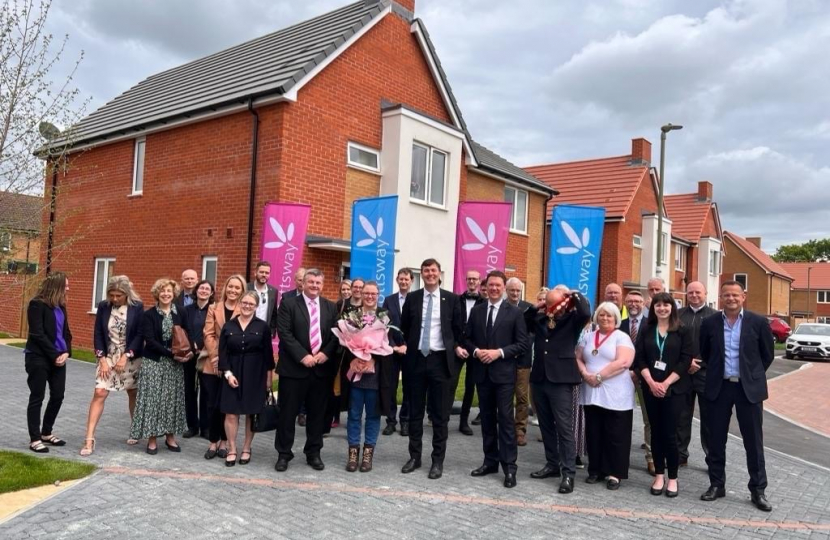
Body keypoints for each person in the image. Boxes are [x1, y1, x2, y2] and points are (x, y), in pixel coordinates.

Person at [699, 281, 774, 512]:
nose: (730, 298)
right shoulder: (710, 323)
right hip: (719, 388)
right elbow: (706, 352)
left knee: (753, 442)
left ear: (744, 296)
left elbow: (767, 355)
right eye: (726, 295)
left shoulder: (758, 322)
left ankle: (758, 490)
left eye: (735, 295)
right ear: (720, 298)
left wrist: (750, 375)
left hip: (747, 390)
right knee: (715, 440)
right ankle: (716, 484)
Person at [399, 258, 465, 480]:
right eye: (426, 270)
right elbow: (405, 326)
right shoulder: (413, 298)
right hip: (416, 360)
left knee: (439, 415)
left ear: (439, 273)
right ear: (422, 274)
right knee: (415, 412)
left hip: (440, 362)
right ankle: (414, 457)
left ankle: (437, 461)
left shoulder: (452, 299)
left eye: (433, 270)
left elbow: (458, 329)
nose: (429, 274)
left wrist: (455, 348)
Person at [463, 271, 528, 488]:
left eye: (498, 286)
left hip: (503, 375)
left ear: (504, 288)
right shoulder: (478, 310)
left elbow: (522, 344)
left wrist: (498, 352)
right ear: (485, 287)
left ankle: (509, 467)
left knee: (506, 421)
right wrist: (476, 351)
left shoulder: (515, 313)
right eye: (490, 285)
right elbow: (467, 338)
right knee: (487, 421)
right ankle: (489, 461)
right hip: (482, 374)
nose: (494, 289)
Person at [526, 285, 590, 494]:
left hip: (561, 380)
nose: (553, 307)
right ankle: (552, 464)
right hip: (540, 378)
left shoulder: (572, 321)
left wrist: (573, 295)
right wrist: (541, 305)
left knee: (564, 427)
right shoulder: (542, 320)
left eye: (555, 303)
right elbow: (525, 319)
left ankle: (568, 473)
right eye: (550, 303)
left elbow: (585, 312)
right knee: (545, 426)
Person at [274, 269, 339, 472]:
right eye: (310, 282)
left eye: (318, 283)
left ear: (322, 284)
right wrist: (303, 356)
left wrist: (325, 354)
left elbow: (336, 335)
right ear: (303, 283)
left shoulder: (330, 306)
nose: (314, 286)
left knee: (317, 415)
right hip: (294, 369)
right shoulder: (288, 303)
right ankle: (284, 454)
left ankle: (313, 452)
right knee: (287, 414)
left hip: (321, 370)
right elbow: (284, 332)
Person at [634, 292, 692, 498]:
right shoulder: (647, 329)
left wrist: (666, 383)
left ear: (672, 307)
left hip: (674, 390)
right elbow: (639, 358)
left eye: (666, 305)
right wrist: (651, 382)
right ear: (653, 309)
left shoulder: (682, 330)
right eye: (658, 305)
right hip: (651, 389)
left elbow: (685, 361)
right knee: (656, 434)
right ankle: (659, 475)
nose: (662, 308)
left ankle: (673, 478)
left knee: (670, 434)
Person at [80, 276, 145, 456]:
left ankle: (135, 429)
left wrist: (126, 355)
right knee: (100, 392)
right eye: (112, 295)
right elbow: (98, 333)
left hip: (130, 357)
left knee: (132, 391)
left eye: (119, 295)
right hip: (108, 355)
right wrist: (101, 358)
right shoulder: (103, 306)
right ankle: (89, 438)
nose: (115, 299)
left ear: (126, 294)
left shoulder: (137, 307)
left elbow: (140, 334)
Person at [577, 302, 636, 490]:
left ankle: (615, 473)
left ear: (616, 318)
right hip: (592, 391)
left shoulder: (622, 337)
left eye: (609, 315)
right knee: (594, 432)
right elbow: (577, 357)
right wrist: (586, 374)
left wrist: (600, 376)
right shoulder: (588, 336)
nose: (605, 318)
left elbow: (624, 362)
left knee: (616, 434)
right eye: (601, 315)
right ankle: (595, 470)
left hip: (616, 393)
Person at [130, 278, 191, 454]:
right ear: (157, 293)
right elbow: (149, 341)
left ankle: (170, 437)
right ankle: (152, 439)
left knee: (172, 400)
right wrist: (172, 354)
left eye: (169, 291)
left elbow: (187, 333)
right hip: (154, 362)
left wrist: (188, 352)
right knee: (154, 401)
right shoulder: (148, 315)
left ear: (174, 294)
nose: (165, 294)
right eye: (162, 291)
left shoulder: (181, 311)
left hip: (175, 365)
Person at [340, 281, 394, 472]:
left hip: (375, 376)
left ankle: (368, 455)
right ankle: (353, 453)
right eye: (367, 293)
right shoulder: (352, 315)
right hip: (356, 373)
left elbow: (388, 344)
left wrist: (373, 360)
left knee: (372, 415)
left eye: (374, 293)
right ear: (361, 294)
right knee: (354, 415)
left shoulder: (384, 316)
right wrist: (352, 360)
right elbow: (345, 342)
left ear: (378, 295)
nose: (370, 296)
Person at [219, 291, 275, 466]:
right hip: (232, 373)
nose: (247, 306)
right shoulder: (228, 326)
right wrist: (228, 374)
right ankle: (232, 448)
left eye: (251, 304)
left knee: (251, 413)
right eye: (244, 303)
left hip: (255, 373)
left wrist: (268, 381)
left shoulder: (263, 327)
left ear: (256, 306)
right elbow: (222, 353)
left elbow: (268, 356)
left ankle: (246, 447)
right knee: (231, 412)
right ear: (240, 303)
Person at [24, 272, 72, 453]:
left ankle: (46, 433)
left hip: (59, 357)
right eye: (65, 285)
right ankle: (35, 438)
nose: (68, 288)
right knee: (37, 397)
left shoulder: (61, 306)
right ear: (56, 286)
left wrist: (66, 352)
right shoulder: (36, 305)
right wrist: (54, 355)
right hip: (38, 357)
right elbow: (37, 334)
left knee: (58, 395)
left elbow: (66, 333)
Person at [202, 275, 245, 459]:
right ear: (225, 288)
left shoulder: (244, 309)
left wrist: (224, 358)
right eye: (231, 286)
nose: (233, 290)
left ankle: (225, 442)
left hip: (233, 363)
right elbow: (208, 333)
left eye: (237, 288)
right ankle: (213, 441)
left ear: (242, 291)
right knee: (212, 404)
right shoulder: (213, 308)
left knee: (227, 405)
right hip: (212, 363)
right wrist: (215, 356)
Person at [677, 281, 717, 466]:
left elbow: (717, 345)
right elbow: (674, 341)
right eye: (690, 292)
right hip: (683, 373)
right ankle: (680, 454)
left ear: (705, 293)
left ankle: (711, 458)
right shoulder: (678, 315)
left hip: (705, 373)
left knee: (709, 418)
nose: (694, 295)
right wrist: (686, 362)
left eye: (697, 292)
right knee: (682, 416)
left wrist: (699, 362)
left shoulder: (716, 317)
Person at [620, 290, 654, 475]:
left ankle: (651, 458)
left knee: (649, 419)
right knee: (621, 417)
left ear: (644, 304)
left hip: (644, 376)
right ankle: (620, 455)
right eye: (630, 301)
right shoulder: (620, 324)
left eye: (637, 301)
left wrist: (638, 371)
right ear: (625, 303)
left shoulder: (652, 325)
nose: (633, 304)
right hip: (621, 377)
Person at [454, 269, 485, 434]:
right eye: (469, 279)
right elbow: (450, 325)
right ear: (466, 280)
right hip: (457, 348)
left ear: (479, 281)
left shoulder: (485, 302)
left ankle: (463, 421)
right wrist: (455, 346)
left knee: (470, 386)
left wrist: (476, 349)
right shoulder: (456, 300)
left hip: (474, 349)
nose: (472, 281)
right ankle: (440, 418)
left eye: (475, 279)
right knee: (450, 384)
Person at [382, 268, 412, 436]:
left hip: (409, 351)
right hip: (392, 350)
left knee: (408, 387)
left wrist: (407, 345)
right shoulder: (389, 300)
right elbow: (384, 326)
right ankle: (391, 421)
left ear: (411, 280)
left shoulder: (416, 299)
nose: (403, 282)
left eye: (406, 279)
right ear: (397, 280)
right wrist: (393, 345)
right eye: (401, 279)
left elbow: (417, 327)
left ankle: (405, 421)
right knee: (390, 386)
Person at [505, 277, 534, 447]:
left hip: (523, 360)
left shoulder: (529, 309)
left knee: (522, 397)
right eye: (512, 290)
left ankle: (520, 431)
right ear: (506, 291)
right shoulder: (501, 308)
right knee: (505, 395)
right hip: (505, 360)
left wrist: (521, 342)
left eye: (518, 290)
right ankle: (507, 428)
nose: (515, 293)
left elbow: (534, 333)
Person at [185, 280, 215, 440]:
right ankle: (192, 426)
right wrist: (191, 345)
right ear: (196, 291)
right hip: (189, 355)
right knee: (190, 391)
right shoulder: (186, 310)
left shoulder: (214, 310)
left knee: (206, 392)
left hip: (206, 355)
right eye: (201, 288)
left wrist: (204, 347)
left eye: (207, 289)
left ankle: (206, 427)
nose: (203, 291)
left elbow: (214, 332)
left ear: (211, 293)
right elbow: (183, 330)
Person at [247, 260, 279, 337]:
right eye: (261, 272)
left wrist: (271, 331)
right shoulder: (246, 288)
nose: (264, 275)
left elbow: (274, 314)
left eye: (267, 273)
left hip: (264, 333)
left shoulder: (273, 291)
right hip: (247, 331)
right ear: (255, 273)